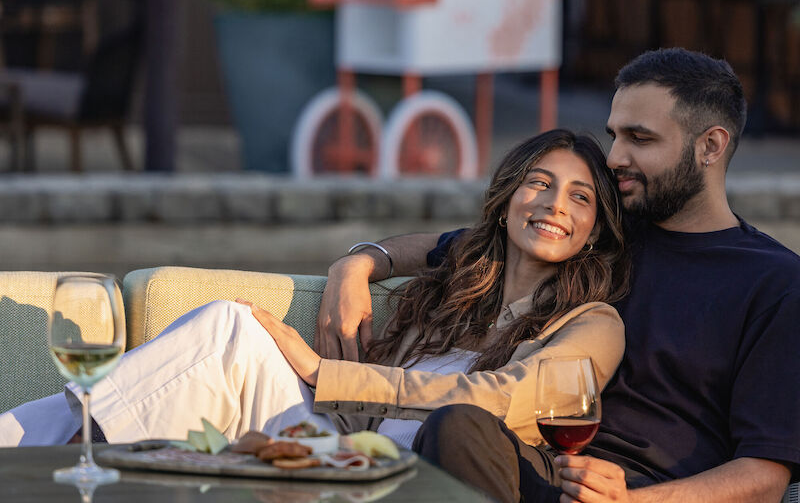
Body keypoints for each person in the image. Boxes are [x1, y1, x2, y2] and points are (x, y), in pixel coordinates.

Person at [317, 48, 800, 502]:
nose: (615, 158)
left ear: (710, 146)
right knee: (459, 427)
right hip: (539, 470)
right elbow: (463, 243)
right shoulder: (600, 232)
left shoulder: (774, 282)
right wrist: (358, 263)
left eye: (640, 138)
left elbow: (765, 477)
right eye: (615, 136)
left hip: (645, 492)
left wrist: (631, 500)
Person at [0, 130, 629, 452]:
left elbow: (499, 399)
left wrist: (319, 370)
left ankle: (63, 463)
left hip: (412, 480)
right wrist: (355, 263)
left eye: (579, 197)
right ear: (505, 202)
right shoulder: (457, 288)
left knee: (227, 331)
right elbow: (423, 247)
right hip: (338, 449)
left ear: (596, 227)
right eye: (538, 184)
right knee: (234, 328)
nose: (553, 205)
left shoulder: (591, 324)